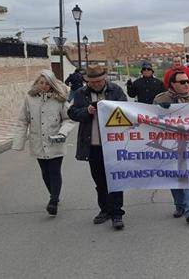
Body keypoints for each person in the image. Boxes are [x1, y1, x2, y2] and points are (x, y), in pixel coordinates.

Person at [68, 65, 128, 230]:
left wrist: (110, 109)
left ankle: (117, 213)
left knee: (115, 179)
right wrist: (87, 111)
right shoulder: (81, 93)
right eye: (92, 82)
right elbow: (72, 113)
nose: (95, 84)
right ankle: (104, 210)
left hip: (113, 144)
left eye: (99, 81)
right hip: (92, 144)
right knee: (99, 181)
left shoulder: (115, 90)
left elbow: (126, 110)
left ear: (105, 78)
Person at [12, 70, 75, 216]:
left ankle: (53, 201)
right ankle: (54, 194)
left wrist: (62, 132)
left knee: (54, 170)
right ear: (37, 83)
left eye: (47, 83)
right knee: (45, 172)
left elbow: (68, 119)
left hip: (55, 141)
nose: (44, 86)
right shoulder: (29, 98)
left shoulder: (60, 99)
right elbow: (23, 120)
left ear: (52, 84)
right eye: (41, 83)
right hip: (37, 141)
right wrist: (19, 142)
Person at [153, 71, 189, 223]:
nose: (186, 84)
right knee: (175, 177)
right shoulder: (160, 99)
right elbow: (151, 121)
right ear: (172, 84)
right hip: (170, 144)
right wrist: (162, 111)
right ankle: (180, 205)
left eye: (187, 81)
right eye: (182, 82)